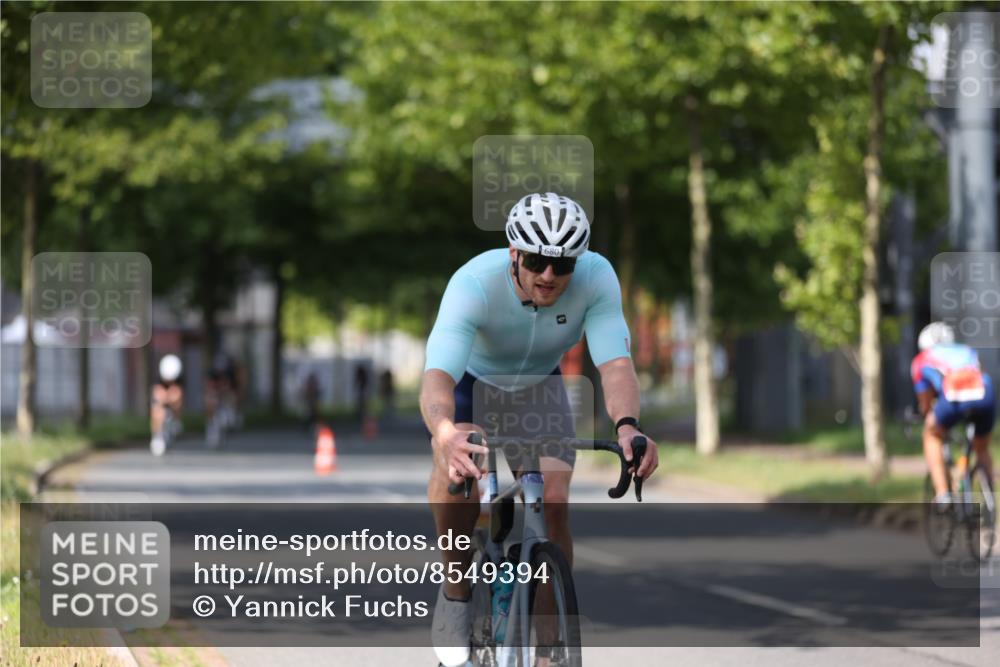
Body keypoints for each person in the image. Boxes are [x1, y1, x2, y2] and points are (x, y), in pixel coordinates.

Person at [420, 192, 660, 666]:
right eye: (535, 261)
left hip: (537, 386)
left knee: (554, 501)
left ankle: (549, 650)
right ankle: (456, 591)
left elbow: (615, 364)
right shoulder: (473, 283)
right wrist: (445, 431)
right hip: (473, 383)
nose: (549, 275)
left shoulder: (596, 278)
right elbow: (438, 377)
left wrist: (629, 426)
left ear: (578, 261)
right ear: (514, 254)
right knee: (458, 475)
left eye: (561, 264)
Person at [911, 321, 995, 508]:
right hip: (986, 393)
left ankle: (943, 494)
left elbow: (925, 402)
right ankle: (990, 499)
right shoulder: (966, 350)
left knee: (931, 434)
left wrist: (926, 414)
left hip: (954, 396)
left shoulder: (922, 359)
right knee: (981, 448)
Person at [150, 354, 184, 456]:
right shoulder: (158, 379)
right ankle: (157, 436)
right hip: (161, 403)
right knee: (157, 411)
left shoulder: (178, 380)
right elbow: (157, 393)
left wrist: (173, 399)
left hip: (173, 403)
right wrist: (164, 398)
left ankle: (176, 421)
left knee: (177, 399)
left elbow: (178, 394)